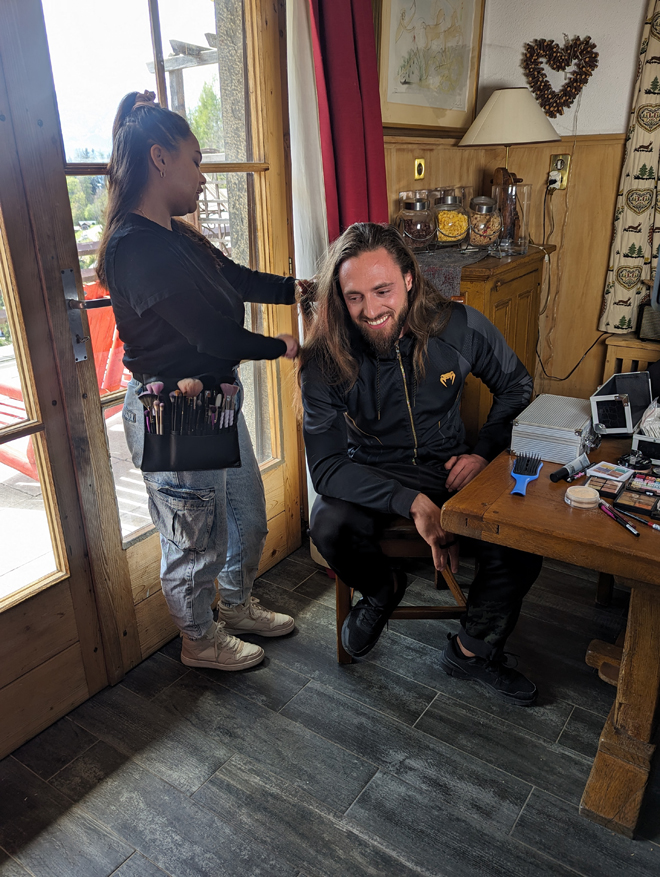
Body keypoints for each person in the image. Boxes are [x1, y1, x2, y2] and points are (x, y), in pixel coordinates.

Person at [299, 223, 543, 706]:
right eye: (354, 297)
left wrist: (483, 452)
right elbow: (326, 468)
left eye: (382, 290)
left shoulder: (460, 326)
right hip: (371, 470)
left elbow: (517, 385)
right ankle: (381, 591)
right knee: (326, 523)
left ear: (409, 278)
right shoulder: (324, 357)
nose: (370, 311)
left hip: (448, 464)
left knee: (521, 530)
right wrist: (410, 502)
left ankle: (472, 648)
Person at [98, 90, 298, 672]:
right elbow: (211, 336)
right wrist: (281, 346)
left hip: (213, 404)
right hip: (172, 415)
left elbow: (233, 277)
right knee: (193, 540)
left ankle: (235, 606)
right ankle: (198, 639)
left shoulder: (177, 236)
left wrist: (301, 288)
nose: (203, 178)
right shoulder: (134, 248)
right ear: (160, 159)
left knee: (246, 516)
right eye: (196, 160)